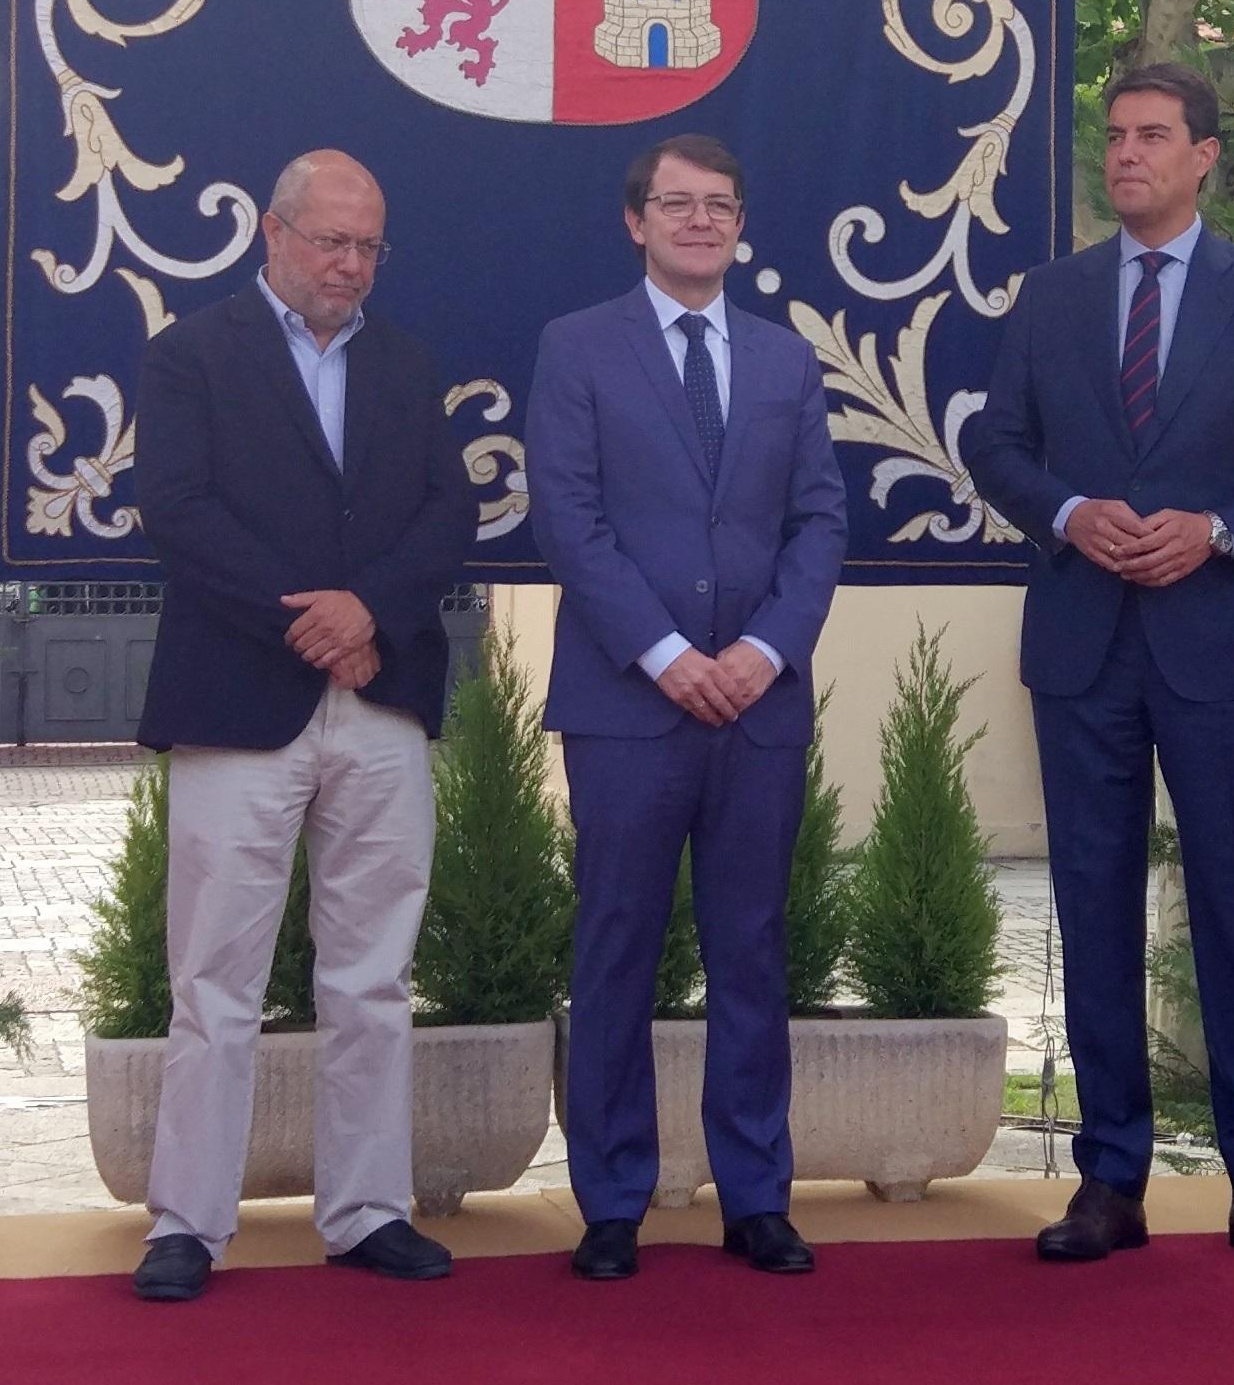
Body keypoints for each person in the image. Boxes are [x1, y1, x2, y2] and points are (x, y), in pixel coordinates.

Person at [965, 62, 1234, 1268]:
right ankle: (1109, 1179)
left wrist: (1220, 528)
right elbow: (994, 440)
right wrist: (1069, 511)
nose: (1124, 155)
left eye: (1150, 136)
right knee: (1091, 905)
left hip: (1217, 645)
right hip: (1083, 646)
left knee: (1232, 908)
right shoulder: (1050, 296)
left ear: (1203, 156)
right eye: (1113, 136)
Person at [127, 149, 475, 1301]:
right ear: (272, 234)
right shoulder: (190, 356)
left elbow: (447, 511)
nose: (349, 264)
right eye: (330, 239)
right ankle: (187, 1221)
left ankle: (367, 1209)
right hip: (240, 701)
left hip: (378, 701)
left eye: (368, 245)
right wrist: (315, 621)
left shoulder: (407, 363)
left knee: (372, 975)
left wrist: (369, 609)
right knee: (216, 978)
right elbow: (180, 513)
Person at [526, 134, 847, 1281]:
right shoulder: (577, 349)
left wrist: (761, 650)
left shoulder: (783, 360)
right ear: (636, 221)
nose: (699, 220)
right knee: (615, 947)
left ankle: (755, 1195)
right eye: (676, 203)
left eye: (719, 204)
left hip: (756, 708)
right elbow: (568, 520)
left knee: (752, 951)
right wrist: (667, 655)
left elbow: (818, 520)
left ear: (739, 223)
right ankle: (612, 1199)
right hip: (628, 707)